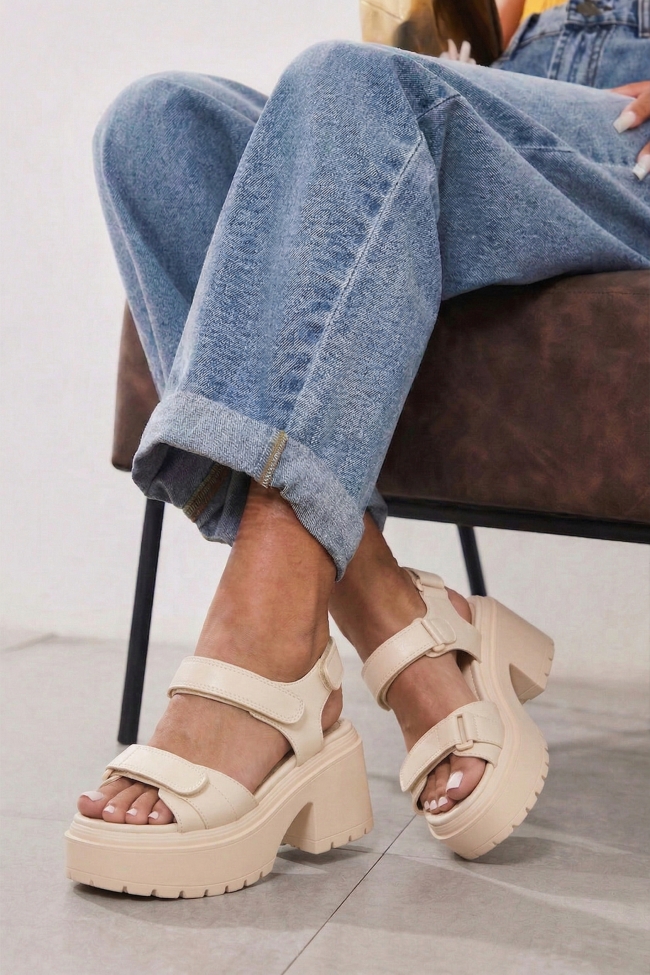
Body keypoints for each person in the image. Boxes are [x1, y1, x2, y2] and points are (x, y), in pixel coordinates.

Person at [66, 0, 650, 897]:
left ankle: (271, 644)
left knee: (351, 85)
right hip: (511, 90)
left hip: (628, 136)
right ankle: (388, 611)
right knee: (155, 128)